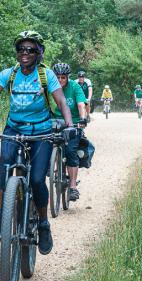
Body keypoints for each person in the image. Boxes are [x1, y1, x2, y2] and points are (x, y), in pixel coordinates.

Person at [0, 31, 74, 255]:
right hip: (13, 128)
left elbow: (61, 101)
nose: (25, 53)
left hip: (41, 131)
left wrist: (69, 125)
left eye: (30, 50)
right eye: (21, 49)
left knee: (36, 179)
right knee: (4, 170)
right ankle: (1, 216)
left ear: (39, 53)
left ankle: (43, 224)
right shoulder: (9, 74)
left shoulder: (46, 75)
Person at [51, 62, 87, 201]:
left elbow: (80, 104)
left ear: (67, 77)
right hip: (55, 123)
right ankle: (52, 166)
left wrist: (83, 118)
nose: (60, 80)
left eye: (63, 77)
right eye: (57, 77)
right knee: (46, 144)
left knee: (71, 151)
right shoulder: (49, 87)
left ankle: (72, 187)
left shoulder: (75, 86)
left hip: (73, 123)